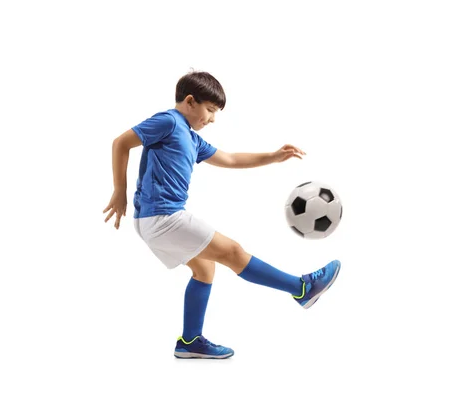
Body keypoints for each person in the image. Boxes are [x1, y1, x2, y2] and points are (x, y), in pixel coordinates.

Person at [103, 70, 341, 359]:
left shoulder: (192, 139)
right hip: (163, 217)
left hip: (156, 220)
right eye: (210, 110)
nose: (212, 119)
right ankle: (301, 288)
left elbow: (229, 159)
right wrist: (120, 190)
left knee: (205, 269)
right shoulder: (168, 121)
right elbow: (121, 143)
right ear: (190, 101)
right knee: (233, 252)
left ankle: (190, 341)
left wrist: (273, 156)